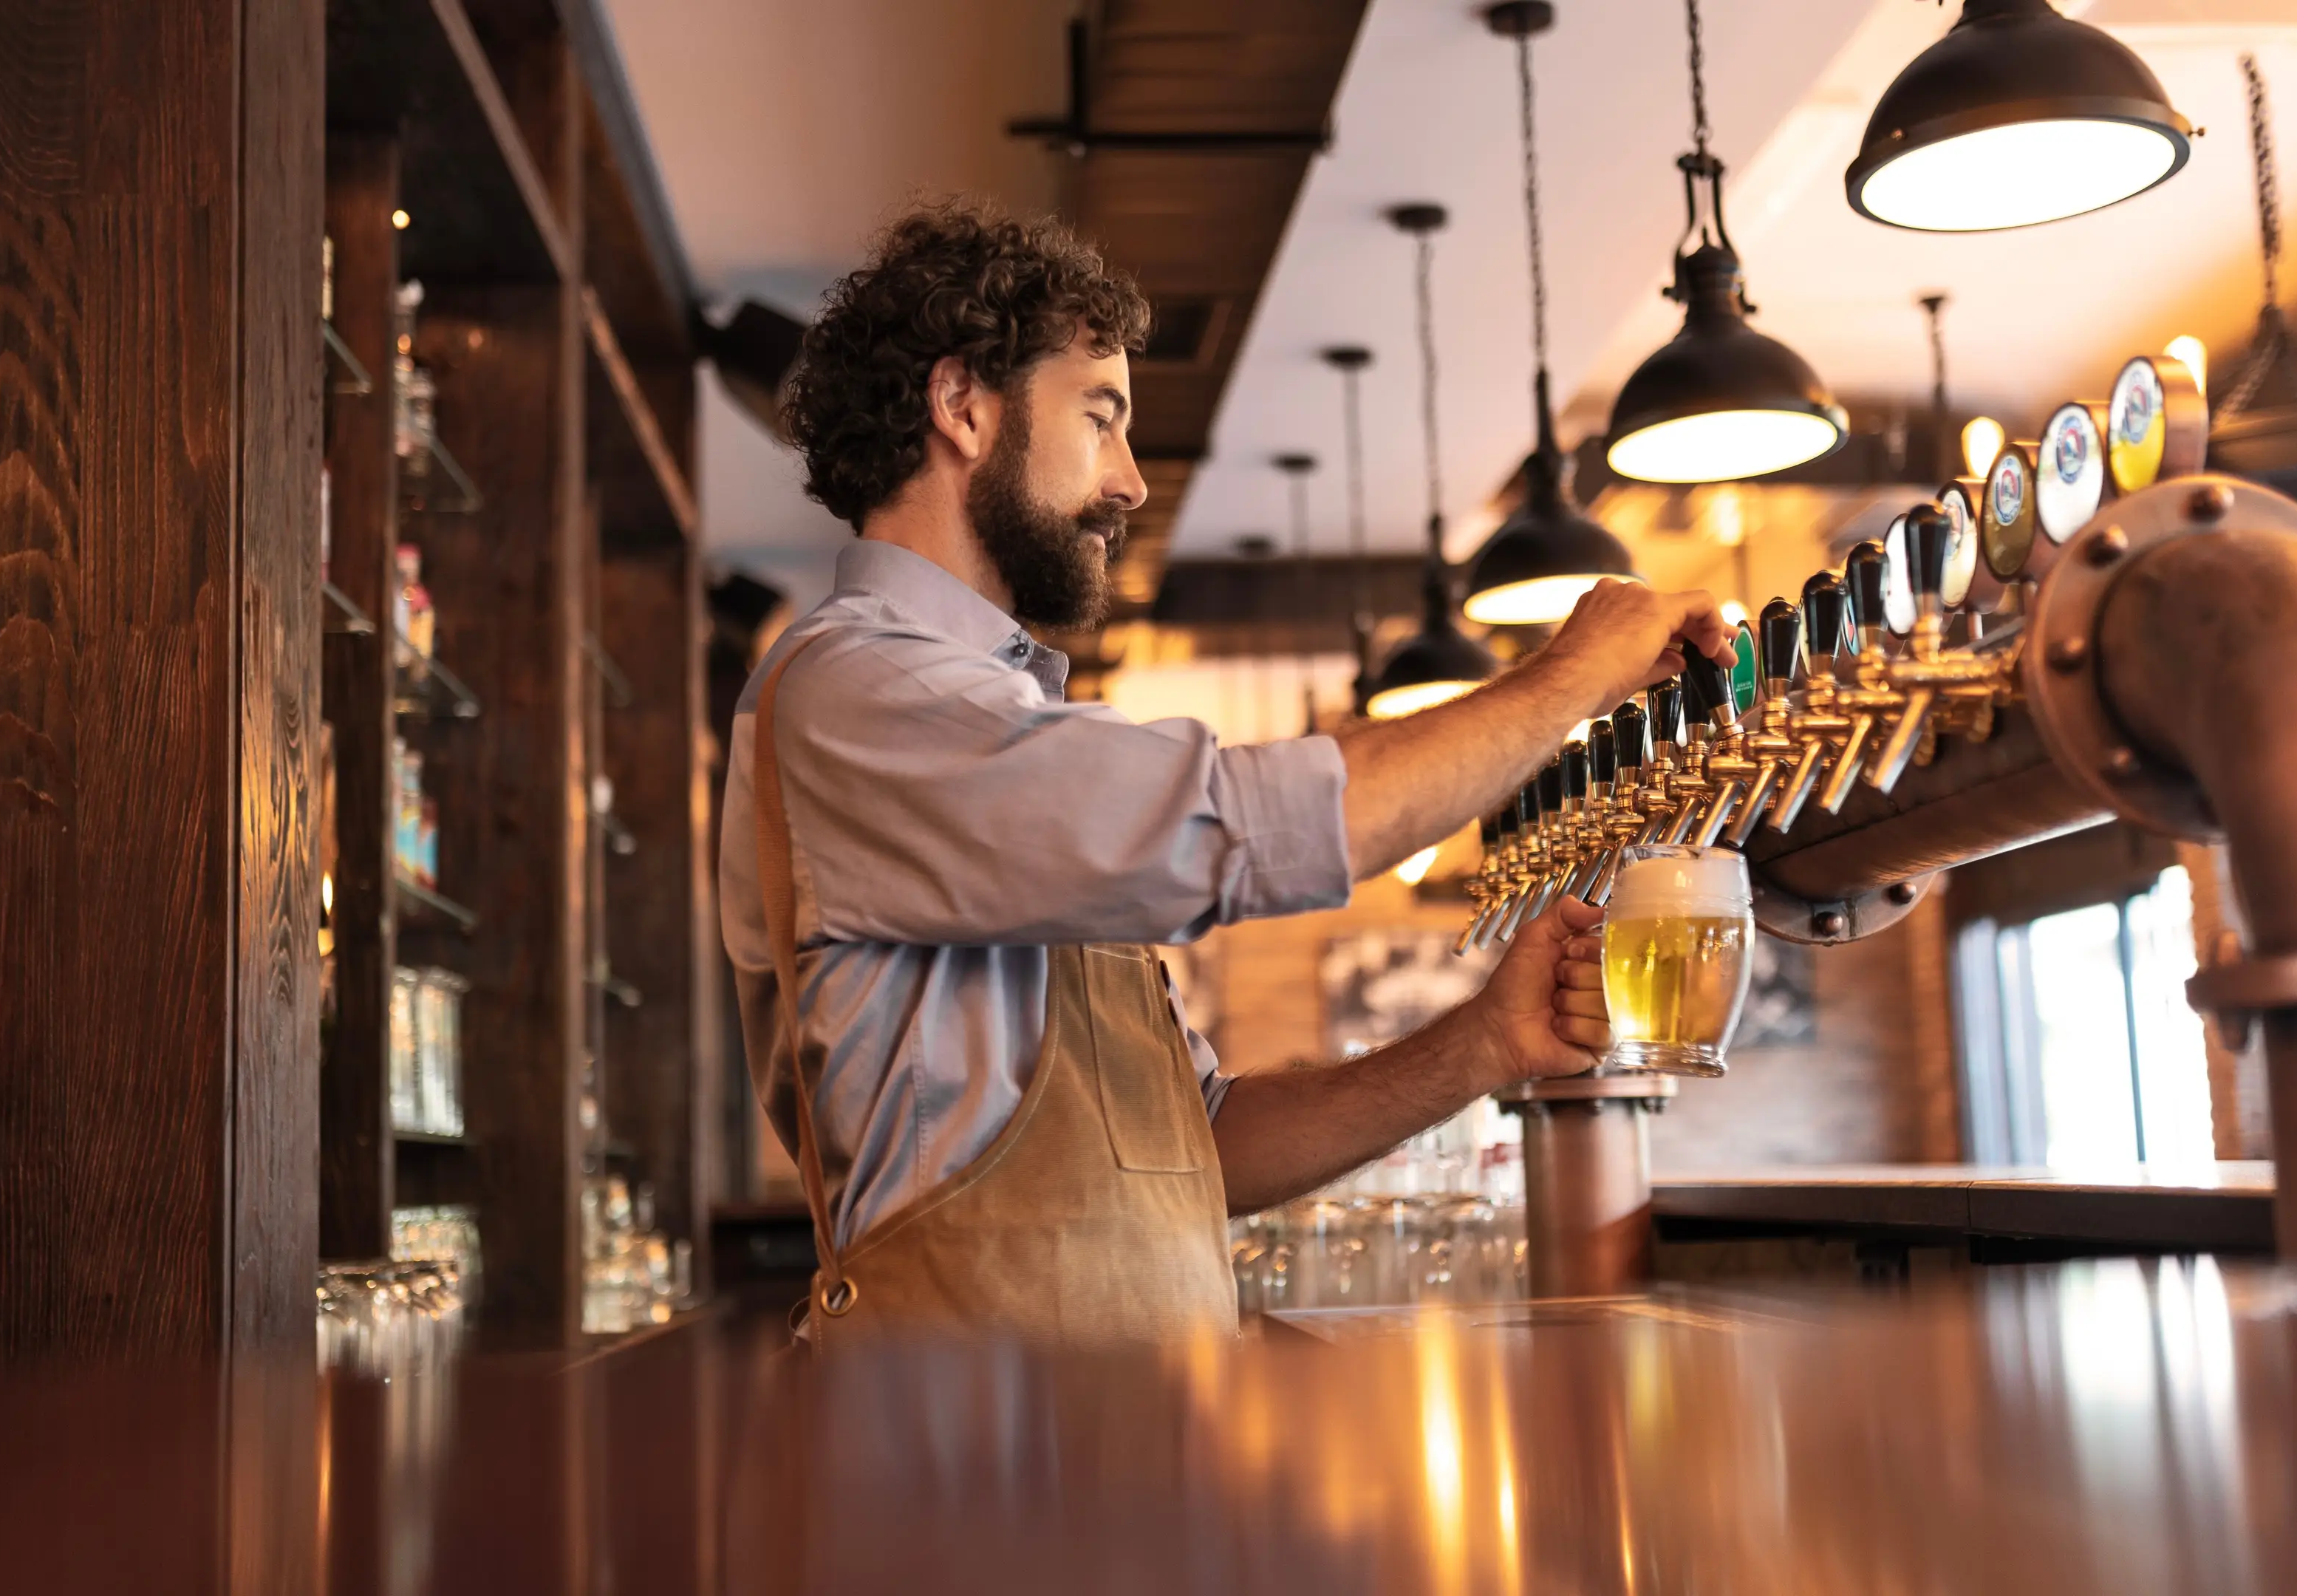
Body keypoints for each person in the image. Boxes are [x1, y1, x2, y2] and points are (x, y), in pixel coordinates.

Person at [722, 202, 1729, 1346]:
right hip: (960, 1468)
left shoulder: (992, 728)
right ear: (963, 406)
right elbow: (1231, 825)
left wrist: (1482, 1046)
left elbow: (1196, 1148)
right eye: (1100, 419)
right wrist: (1563, 682)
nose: (1130, 481)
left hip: (1103, 1460)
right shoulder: (856, 692)